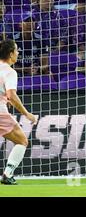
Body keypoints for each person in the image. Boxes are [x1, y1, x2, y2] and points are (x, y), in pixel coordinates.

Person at [0, 39, 38, 185]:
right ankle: (7, 174)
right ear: (10, 54)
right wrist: (26, 113)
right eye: (16, 50)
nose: (18, 52)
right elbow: (12, 95)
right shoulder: (10, 72)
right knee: (22, 141)